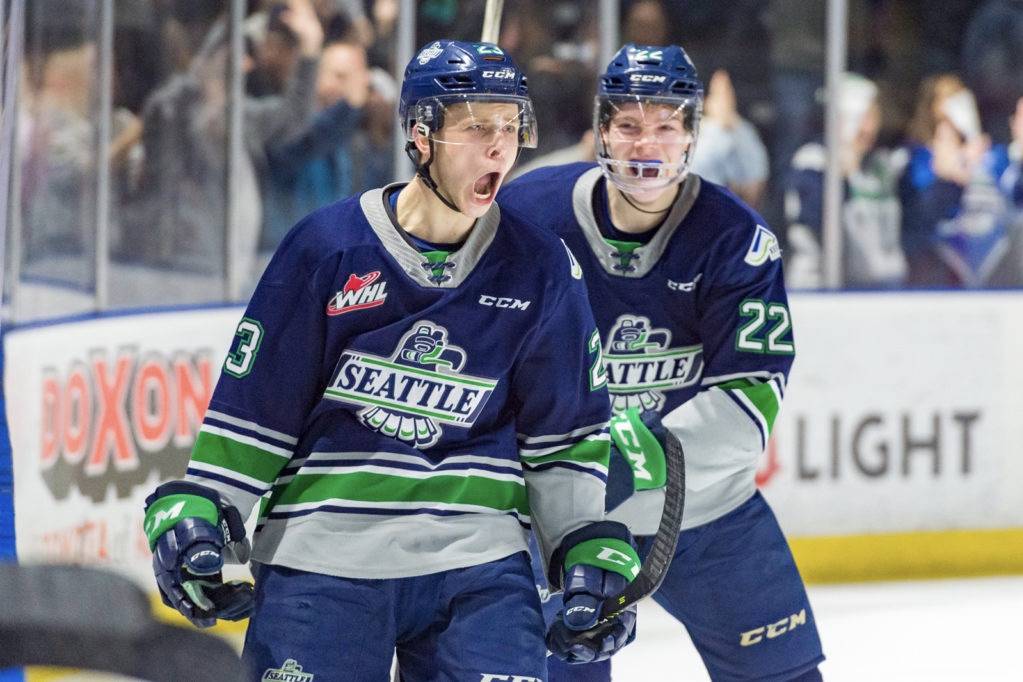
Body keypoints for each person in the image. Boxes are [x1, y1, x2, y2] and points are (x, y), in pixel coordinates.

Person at [141, 40, 638, 680]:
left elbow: (562, 437)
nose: (500, 146)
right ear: (421, 135)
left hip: (478, 565)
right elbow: (253, 417)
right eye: (477, 127)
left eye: (510, 126)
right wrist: (206, 508)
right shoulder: (326, 250)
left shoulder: (541, 268)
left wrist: (580, 541)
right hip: (324, 559)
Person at [500, 43, 825, 681]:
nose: (646, 145)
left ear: (692, 136)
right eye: (628, 125)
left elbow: (751, 399)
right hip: (564, 521)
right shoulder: (526, 216)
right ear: (601, 132)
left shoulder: (736, 239)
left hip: (705, 511)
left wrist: (628, 454)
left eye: (666, 126)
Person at [785, 73, 908, 289]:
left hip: (880, 293)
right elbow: (816, 221)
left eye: (873, 116)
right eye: (863, 117)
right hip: (819, 292)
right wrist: (840, 179)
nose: (869, 128)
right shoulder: (812, 161)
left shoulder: (881, 165)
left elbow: (913, 225)